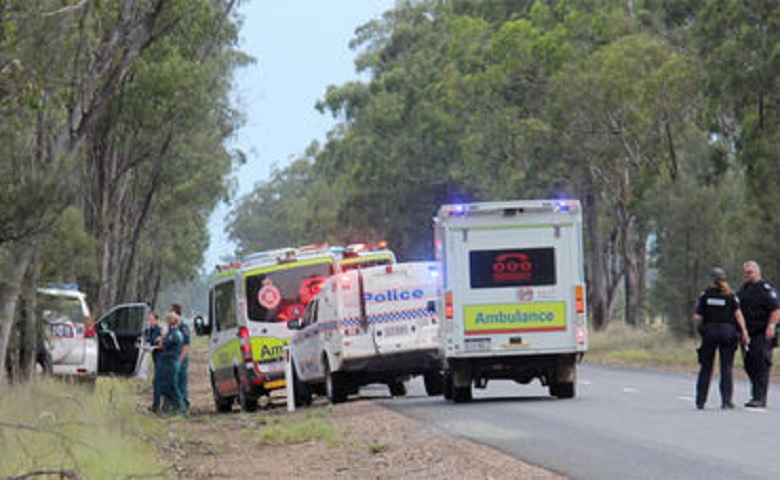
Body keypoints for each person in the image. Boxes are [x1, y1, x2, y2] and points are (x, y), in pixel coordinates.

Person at [692, 267, 749, 410]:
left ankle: (700, 401)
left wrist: (700, 327)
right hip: (727, 333)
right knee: (726, 367)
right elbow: (738, 315)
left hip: (710, 333)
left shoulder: (705, 295)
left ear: (712, 279)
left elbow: (697, 316)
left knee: (706, 368)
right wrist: (744, 331)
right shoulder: (731, 295)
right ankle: (726, 400)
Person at [737, 261, 780, 408]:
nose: (747, 275)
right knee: (749, 364)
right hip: (746, 332)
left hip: (762, 332)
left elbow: (776, 309)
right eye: (746, 272)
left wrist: (771, 326)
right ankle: (756, 394)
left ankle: (760, 397)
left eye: (750, 272)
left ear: (758, 272)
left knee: (761, 363)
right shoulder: (743, 289)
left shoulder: (766, 289)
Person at [159, 311, 184, 415]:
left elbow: (163, 345)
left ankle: (180, 407)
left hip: (171, 362)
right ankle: (167, 408)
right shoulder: (175, 333)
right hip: (171, 361)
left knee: (172, 385)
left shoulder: (173, 334)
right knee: (168, 385)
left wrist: (161, 338)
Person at [172, 303, 190, 414]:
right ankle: (175, 407)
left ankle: (184, 407)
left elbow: (186, 345)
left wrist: (180, 360)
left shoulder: (183, 327)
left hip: (181, 359)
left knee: (181, 383)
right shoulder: (173, 327)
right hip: (173, 358)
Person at [144, 311, 163, 413]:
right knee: (156, 382)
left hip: (161, 357)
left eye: (151, 320)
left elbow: (161, 344)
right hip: (155, 357)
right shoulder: (149, 330)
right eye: (148, 320)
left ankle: (157, 406)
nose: (149, 321)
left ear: (156, 320)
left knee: (157, 382)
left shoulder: (159, 330)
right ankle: (156, 405)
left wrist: (155, 346)